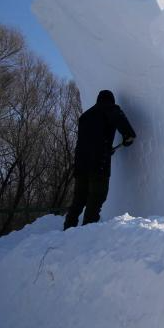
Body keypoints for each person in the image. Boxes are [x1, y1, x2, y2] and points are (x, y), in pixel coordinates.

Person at [64, 90, 136, 230]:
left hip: (80, 163)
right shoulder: (110, 108)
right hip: (98, 163)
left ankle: (68, 229)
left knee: (79, 198)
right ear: (111, 100)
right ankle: (88, 230)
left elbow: (90, 140)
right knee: (96, 197)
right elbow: (125, 127)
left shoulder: (85, 116)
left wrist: (106, 149)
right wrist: (128, 136)